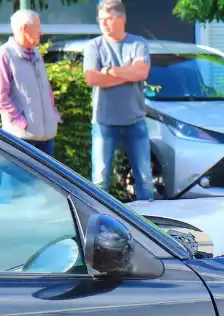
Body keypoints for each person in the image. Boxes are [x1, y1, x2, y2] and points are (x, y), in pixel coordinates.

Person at [83, 0, 154, 200]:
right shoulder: (93, 46)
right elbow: (92, 78)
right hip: (104, 121)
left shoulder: (138, 43)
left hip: (135, 120)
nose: (103, 24)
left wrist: (111, 72)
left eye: (108, 19)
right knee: (100, 178)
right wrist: (127, 74)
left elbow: (142, 72)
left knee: (144, 177)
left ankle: (150, 224)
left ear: (122, 19)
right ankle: (99, 220)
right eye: (101, 20)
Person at [0, 10, 61, 156]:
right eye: (38, 27)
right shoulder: (4, 54)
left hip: (47, 136)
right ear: (24, 28)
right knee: (14, 179)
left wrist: (53, 115)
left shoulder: (36, 54)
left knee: (46, 179)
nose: (41, 32)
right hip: (20, 137)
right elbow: (1, 97)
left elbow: (46, 89)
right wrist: (21, 122)